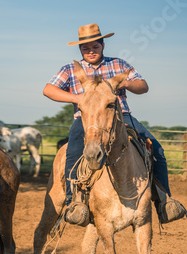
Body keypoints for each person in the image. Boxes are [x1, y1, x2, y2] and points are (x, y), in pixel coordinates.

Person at [43, 23, 187, 226]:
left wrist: (126, 83)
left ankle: (164, 201)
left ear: (102, 45)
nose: (90, 51)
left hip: (121, 116)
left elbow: (143, 86)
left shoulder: (119, 64)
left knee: (156, 148)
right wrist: (79, 99)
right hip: (86, 119)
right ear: (80, 50)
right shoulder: (70, 70)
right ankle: (74, 202)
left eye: (95, 47)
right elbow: (48, 89)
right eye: (85, 48)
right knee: (74, 152)